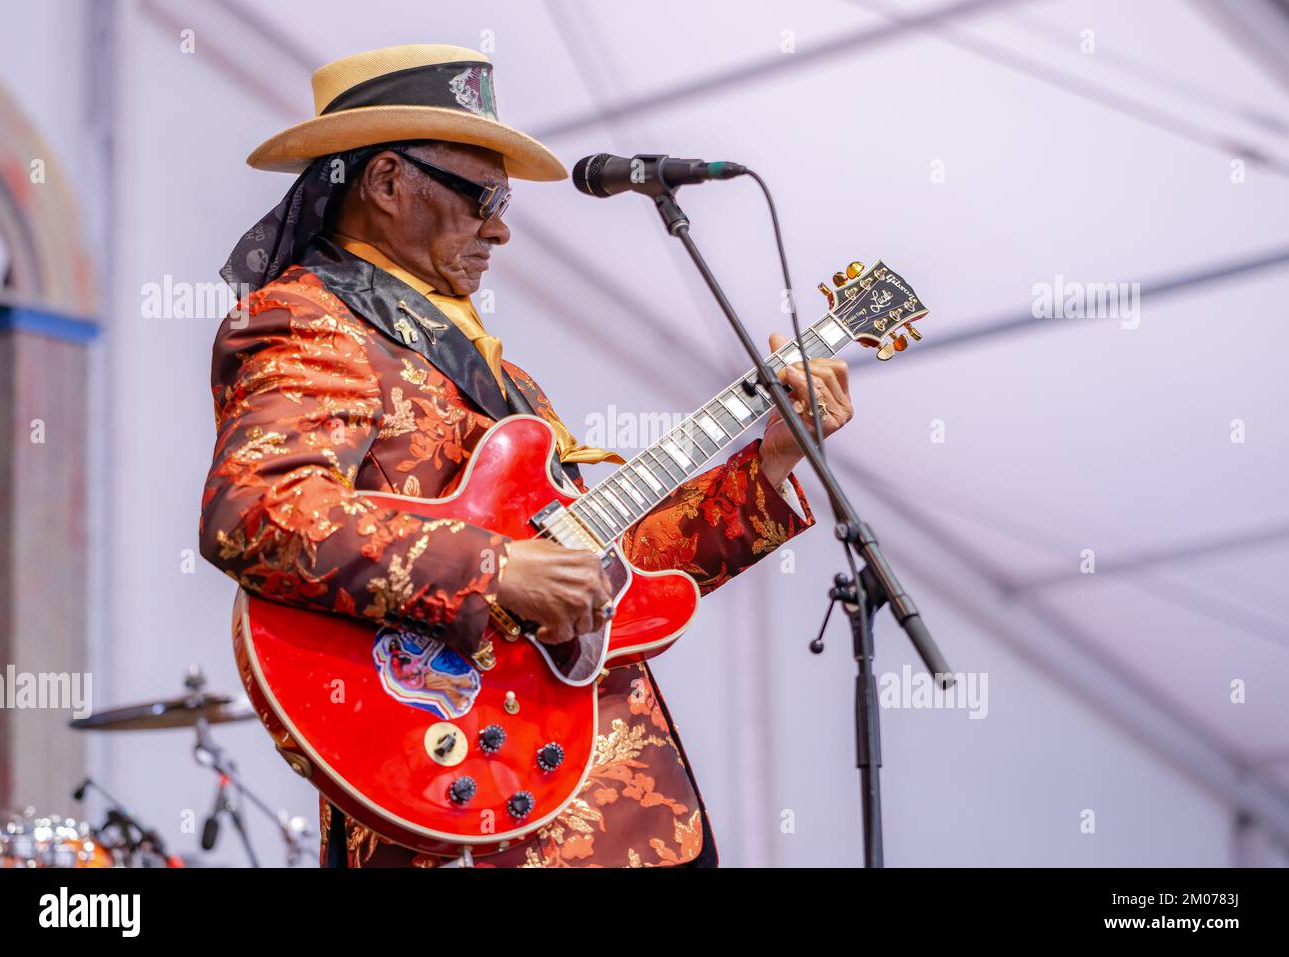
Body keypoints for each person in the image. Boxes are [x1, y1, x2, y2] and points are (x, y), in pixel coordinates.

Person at [201, 44, 853, 867]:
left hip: (609, 804)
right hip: (452, 800)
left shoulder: (510, 380)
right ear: (387, 181)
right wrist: (496, 569)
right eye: (485, 197)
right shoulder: (310, 319)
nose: (502, 227)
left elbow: (607, 576)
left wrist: (770, 463)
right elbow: (256, 510)